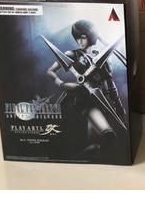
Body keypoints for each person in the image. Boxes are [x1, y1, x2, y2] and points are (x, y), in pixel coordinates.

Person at [46, 19, 125, 159]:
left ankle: (82, 160)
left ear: (90, 35)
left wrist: (118, 106)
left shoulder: (103, 59)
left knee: (95, 145)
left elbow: (110, 85)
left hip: (101, 102)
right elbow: (50, 71)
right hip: (84, 102)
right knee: (108, 137)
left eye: (82, 37)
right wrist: (62, 84)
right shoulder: (72, 54)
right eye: (77, 38)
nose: (79, 41)